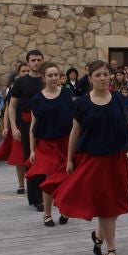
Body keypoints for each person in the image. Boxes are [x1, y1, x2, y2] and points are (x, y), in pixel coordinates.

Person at [53, 60, 128, 255]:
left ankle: (98, 235)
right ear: (90, 78)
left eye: (105, 74)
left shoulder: (119, 100)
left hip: (117, 160)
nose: (103, 78)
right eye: (98, 75)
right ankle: (111, 249)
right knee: (106, 207)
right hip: (93, 161)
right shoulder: (81, 104)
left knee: (114, 205)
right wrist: (69, 159)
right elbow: (74, 133)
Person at [27, 63, 74, 226]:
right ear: (43, 77)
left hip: (65, 142)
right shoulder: (37, 100)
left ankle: (65, 209)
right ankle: (47, 214)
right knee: (49, 177)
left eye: (56, 75)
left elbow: (75, 121)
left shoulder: (67, 94)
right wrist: (32, 150)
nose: (53, 78)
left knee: (67, 177)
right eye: (50, 75)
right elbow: (33, 126)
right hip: (45, 144)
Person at [7, 50, 45, 209]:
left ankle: (47, 194)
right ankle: (36, 198)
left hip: (46, 125)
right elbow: (12, 106)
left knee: (46, 159)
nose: (36, 62)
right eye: (33, 60)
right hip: (26, 124)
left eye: (39, 60)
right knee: (31, 159)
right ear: (28, 62)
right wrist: (14, 127)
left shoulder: (47, 80)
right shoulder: (21, 82)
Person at [0, 65, 30, 194]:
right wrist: (7, 126)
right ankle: (21, 184)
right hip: (18, 127)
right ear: (19, 74)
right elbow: (8, 109)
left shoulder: (36, 87)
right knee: (19, 158)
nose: (26, 73)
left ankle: (34, 184)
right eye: (23, 71)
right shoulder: (14, 90)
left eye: (28, 71)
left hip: (32, 127)